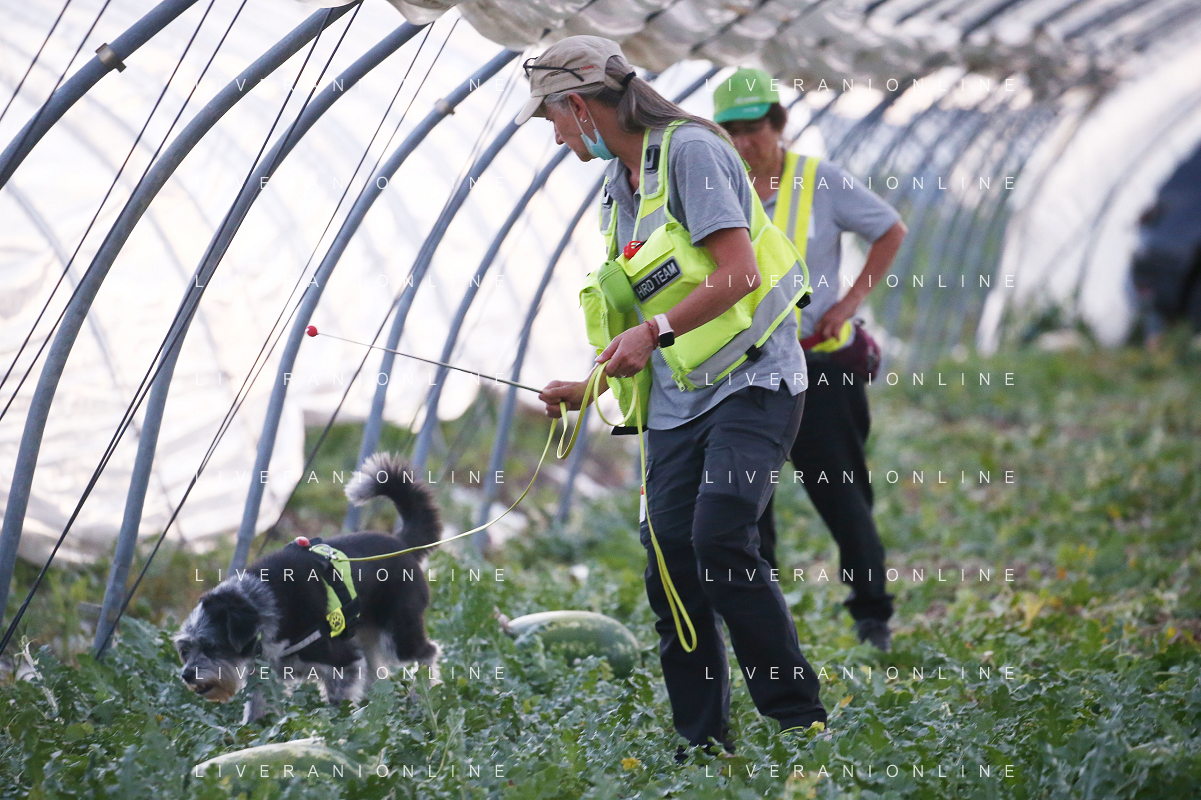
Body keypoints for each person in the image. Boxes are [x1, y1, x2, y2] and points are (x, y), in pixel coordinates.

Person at [518, 37, 827, 759]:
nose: (556, 137)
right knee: (670, 571)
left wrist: (653, 333)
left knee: (719, 536)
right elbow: (641, 313)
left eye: (552, 120)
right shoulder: (616, 188)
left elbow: (738, 273)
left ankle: (799, 725)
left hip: (753, 379)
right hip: (678, 402)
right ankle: (702, 743)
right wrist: (589, 386)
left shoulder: (690, 152)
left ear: (577, 104)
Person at [713, 68, 907, 652]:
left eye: (753, 129)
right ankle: (763, 623)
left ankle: (872, 616)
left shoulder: (819, 180)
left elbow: (889, 229)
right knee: (747, 503)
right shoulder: (716, 186)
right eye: (730, 132)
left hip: (816, 366)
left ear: (778, 124)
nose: (744, 142)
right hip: (743, 371)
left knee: (842, 493)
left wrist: (848, 303)